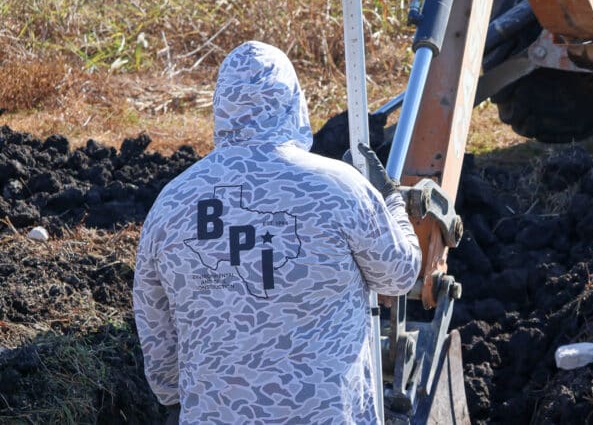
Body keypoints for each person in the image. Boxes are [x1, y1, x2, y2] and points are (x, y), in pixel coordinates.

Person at [133, 41, 421, 424]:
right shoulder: (341, 188)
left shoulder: (171, 205)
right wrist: (390, 200)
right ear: (294, 103)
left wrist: (183, 395)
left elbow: (155, 328)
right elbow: (399, 274)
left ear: (221, 107)